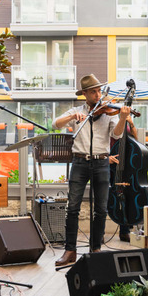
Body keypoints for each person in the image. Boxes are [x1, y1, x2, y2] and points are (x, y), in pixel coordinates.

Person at [53, 74, 131, 266]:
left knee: (101, 209)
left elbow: (117, 134)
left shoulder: (108, 112)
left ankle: (96, 248)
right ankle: (70, 251)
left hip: (102, 163)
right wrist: (72, 117)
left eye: (99, 91)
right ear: (85, 94)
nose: (98, 95)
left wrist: (122, 118)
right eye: (94, 92)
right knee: (72, 208)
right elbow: (56, 124)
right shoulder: (77, 111)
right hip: (79, 162)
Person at [109, 115, 138, 242]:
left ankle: (124, 230)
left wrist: (131, 124)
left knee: (125, 194)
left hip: (125, 163)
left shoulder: (124, 122)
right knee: (109, 195)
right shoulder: (110, 122)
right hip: (110, 160)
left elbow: (136, 140)